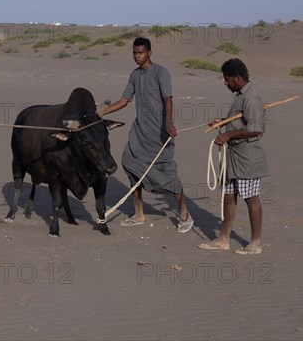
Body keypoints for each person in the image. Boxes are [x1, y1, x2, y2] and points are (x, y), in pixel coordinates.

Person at [105, 37, 194, 232]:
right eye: (135, 53)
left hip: (160, 132)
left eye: (141, 53)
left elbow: (168, 99)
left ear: (149, 53)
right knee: (130, 163)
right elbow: (124, 100)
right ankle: (138, 213)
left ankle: (185, 213)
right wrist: (102, 113)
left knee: (167, 172)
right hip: (140, 132)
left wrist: (169, 122)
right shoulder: (135, 75)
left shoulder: (160, 72)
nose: (137, 56)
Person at [199, 58, 268, 254]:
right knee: (228, 196)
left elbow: (255, 129)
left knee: (251, 198)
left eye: (227, 79)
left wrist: (228, 134)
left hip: (248, 156)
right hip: (234, 156)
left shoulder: (251, 97)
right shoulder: (240, 95)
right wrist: (223, 122)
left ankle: (255, 243)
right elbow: (241, 121)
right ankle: (223, 239)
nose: (225, 83)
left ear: (237, 78)